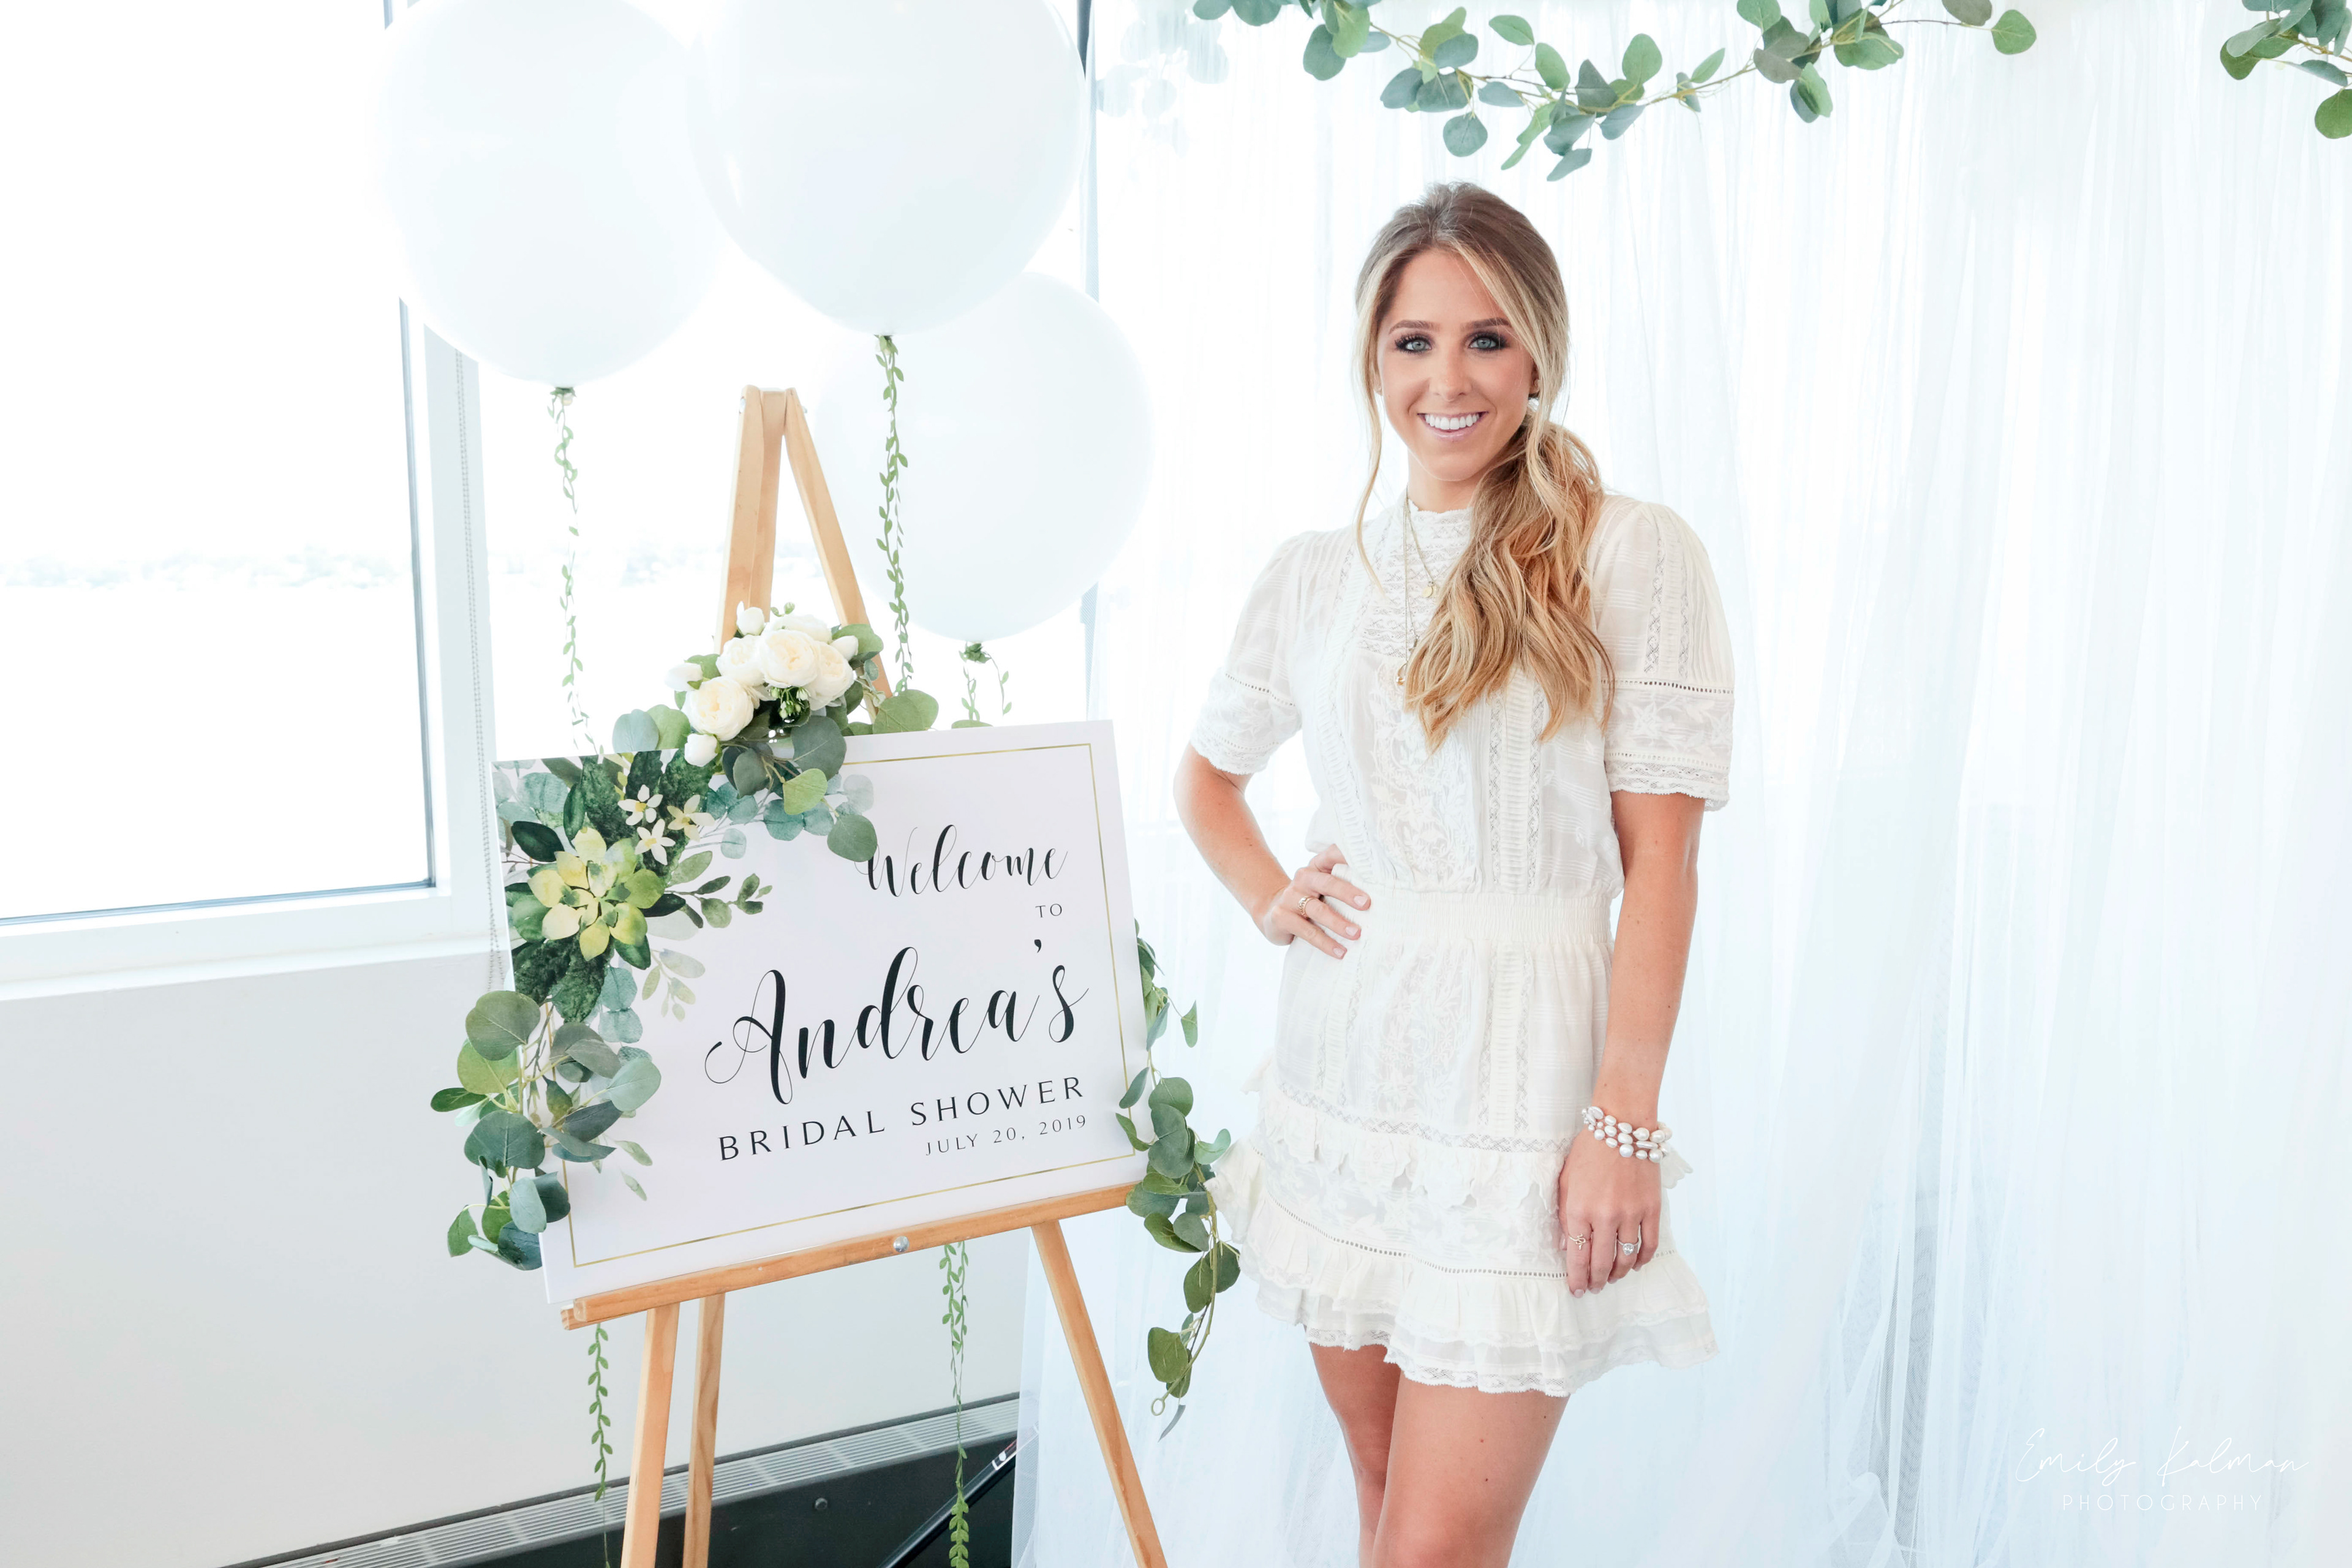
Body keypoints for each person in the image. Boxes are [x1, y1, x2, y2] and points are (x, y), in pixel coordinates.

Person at [1172, 180, 1734, 1568]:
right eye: (1413, 341)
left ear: (1540, 351)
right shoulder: (1315, 574)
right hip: (1348, 1072)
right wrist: (1270, 893)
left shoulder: (1629, 552)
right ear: (1372, 359)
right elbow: (1205, 778)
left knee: (1436, 1546)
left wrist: (1624, 1125)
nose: (1449, 379)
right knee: (1378, 1492)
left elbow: (1662, 866)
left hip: (1523, 1094)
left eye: (1487, 339)